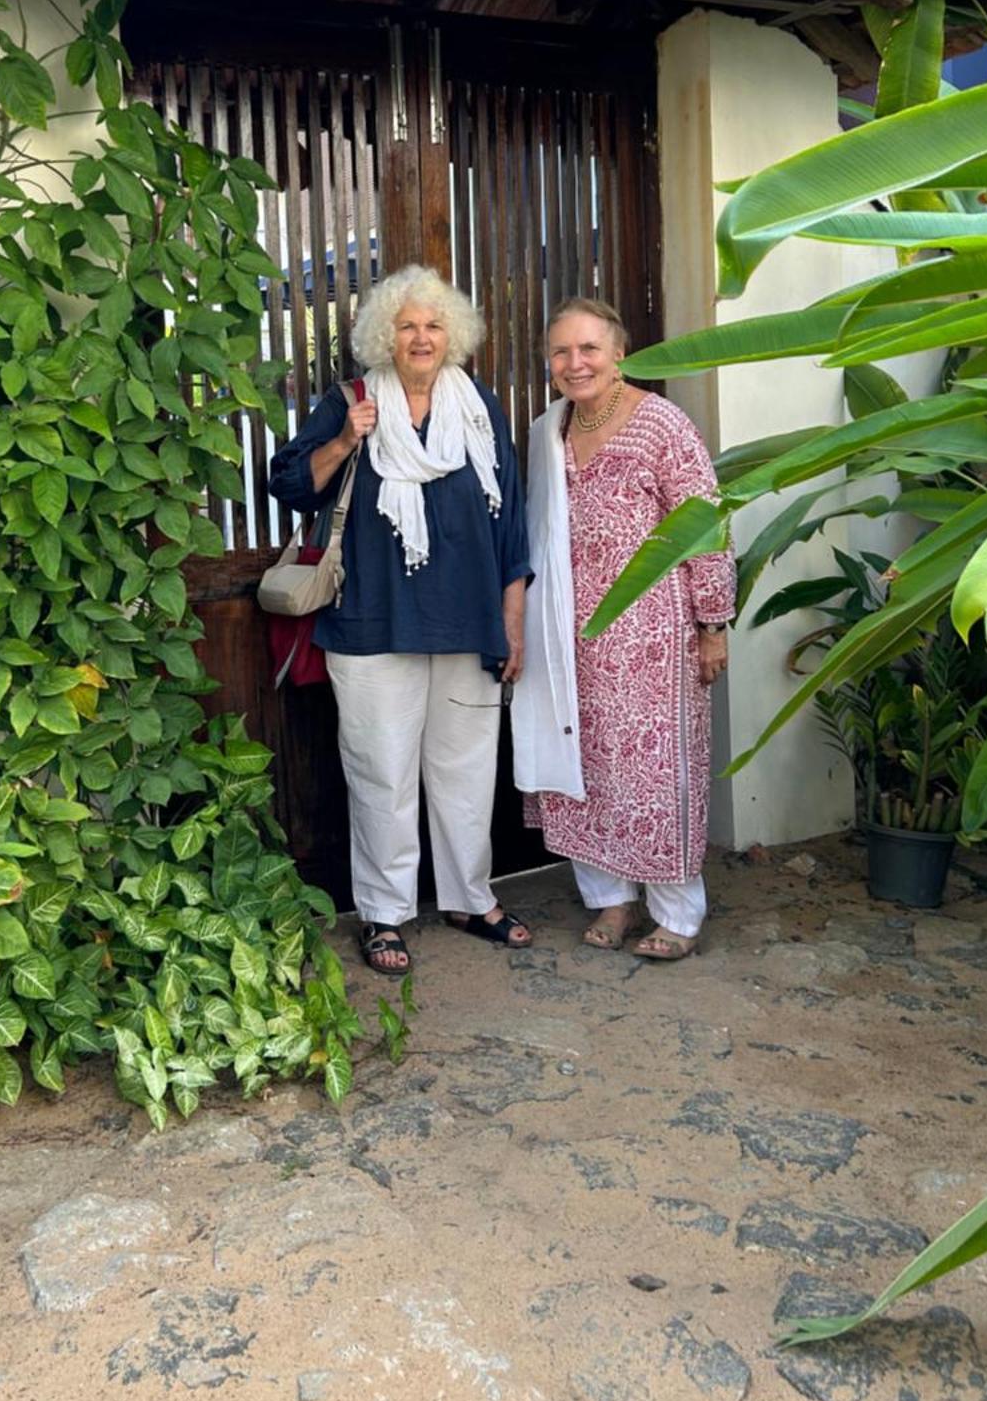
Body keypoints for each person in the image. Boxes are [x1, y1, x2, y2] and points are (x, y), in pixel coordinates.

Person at [269, 265, 530, 977]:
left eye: (435, 324)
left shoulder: (477, 405)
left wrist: (512, 616)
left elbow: (512, 512)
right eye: (409, 325)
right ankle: (384, 915)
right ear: (386, 334)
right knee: (381, 773)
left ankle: (471, 898)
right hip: (372, 621)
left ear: (455, 337)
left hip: (469, 619)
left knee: (468, 769)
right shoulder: (350, 402)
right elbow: (288, 481)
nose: (422, 337)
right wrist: (345, 442)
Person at [513, 296, 735, 961]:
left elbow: (706, 526)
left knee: (656, 775)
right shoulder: (547, 434)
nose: (573, 363)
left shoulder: (661, 425)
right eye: (561, 351)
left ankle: (676, 914)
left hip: (654, 642)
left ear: (619, 355)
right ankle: (610, 900)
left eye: (588, 349)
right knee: (584, 769)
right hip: (569, 640)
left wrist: (713, 623)